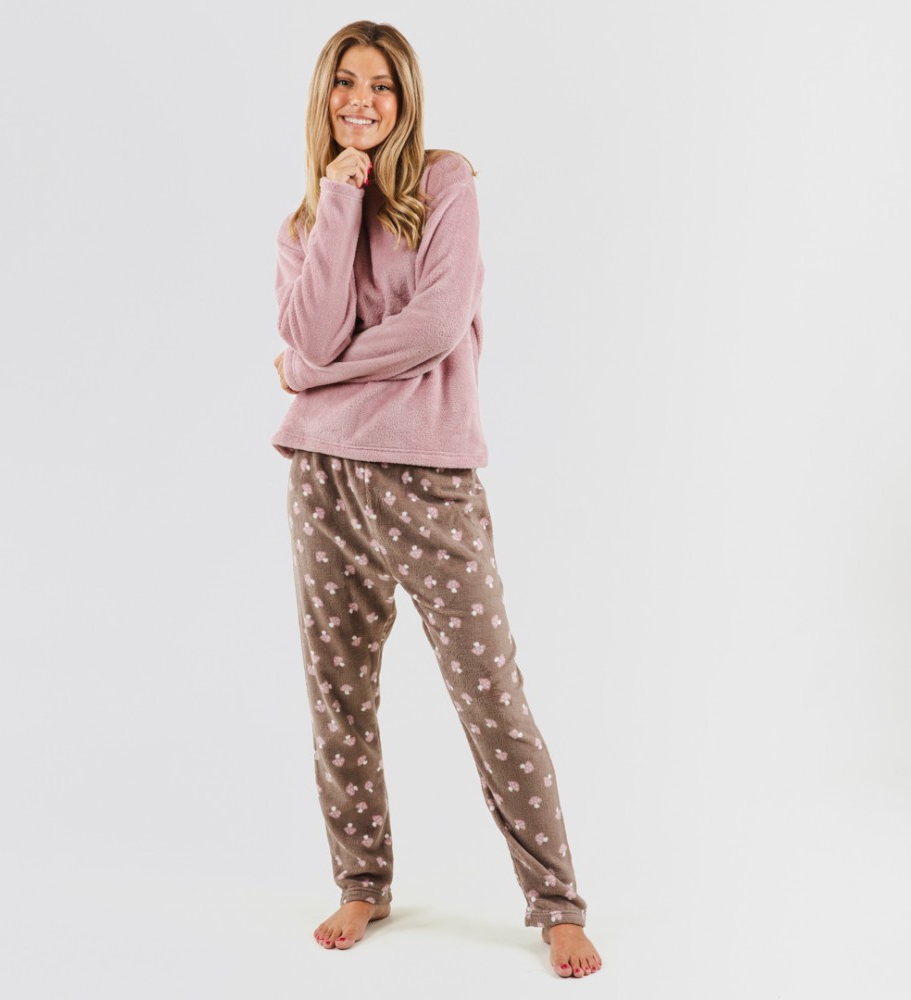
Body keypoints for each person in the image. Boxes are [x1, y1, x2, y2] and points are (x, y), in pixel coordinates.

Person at [269, 20, 602, 980]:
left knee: (490, 691)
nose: (362, 100)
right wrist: (340, 195)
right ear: (325, 95)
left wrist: (308, 375)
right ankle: (362, 881)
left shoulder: (445, 184)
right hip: (323, 477)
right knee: (338, 691)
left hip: (428, 477)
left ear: (406, 98)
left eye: (381, 85)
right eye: (346, 82)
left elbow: (435, 327)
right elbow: (314, 327)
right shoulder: (305, 223)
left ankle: (556, 902)